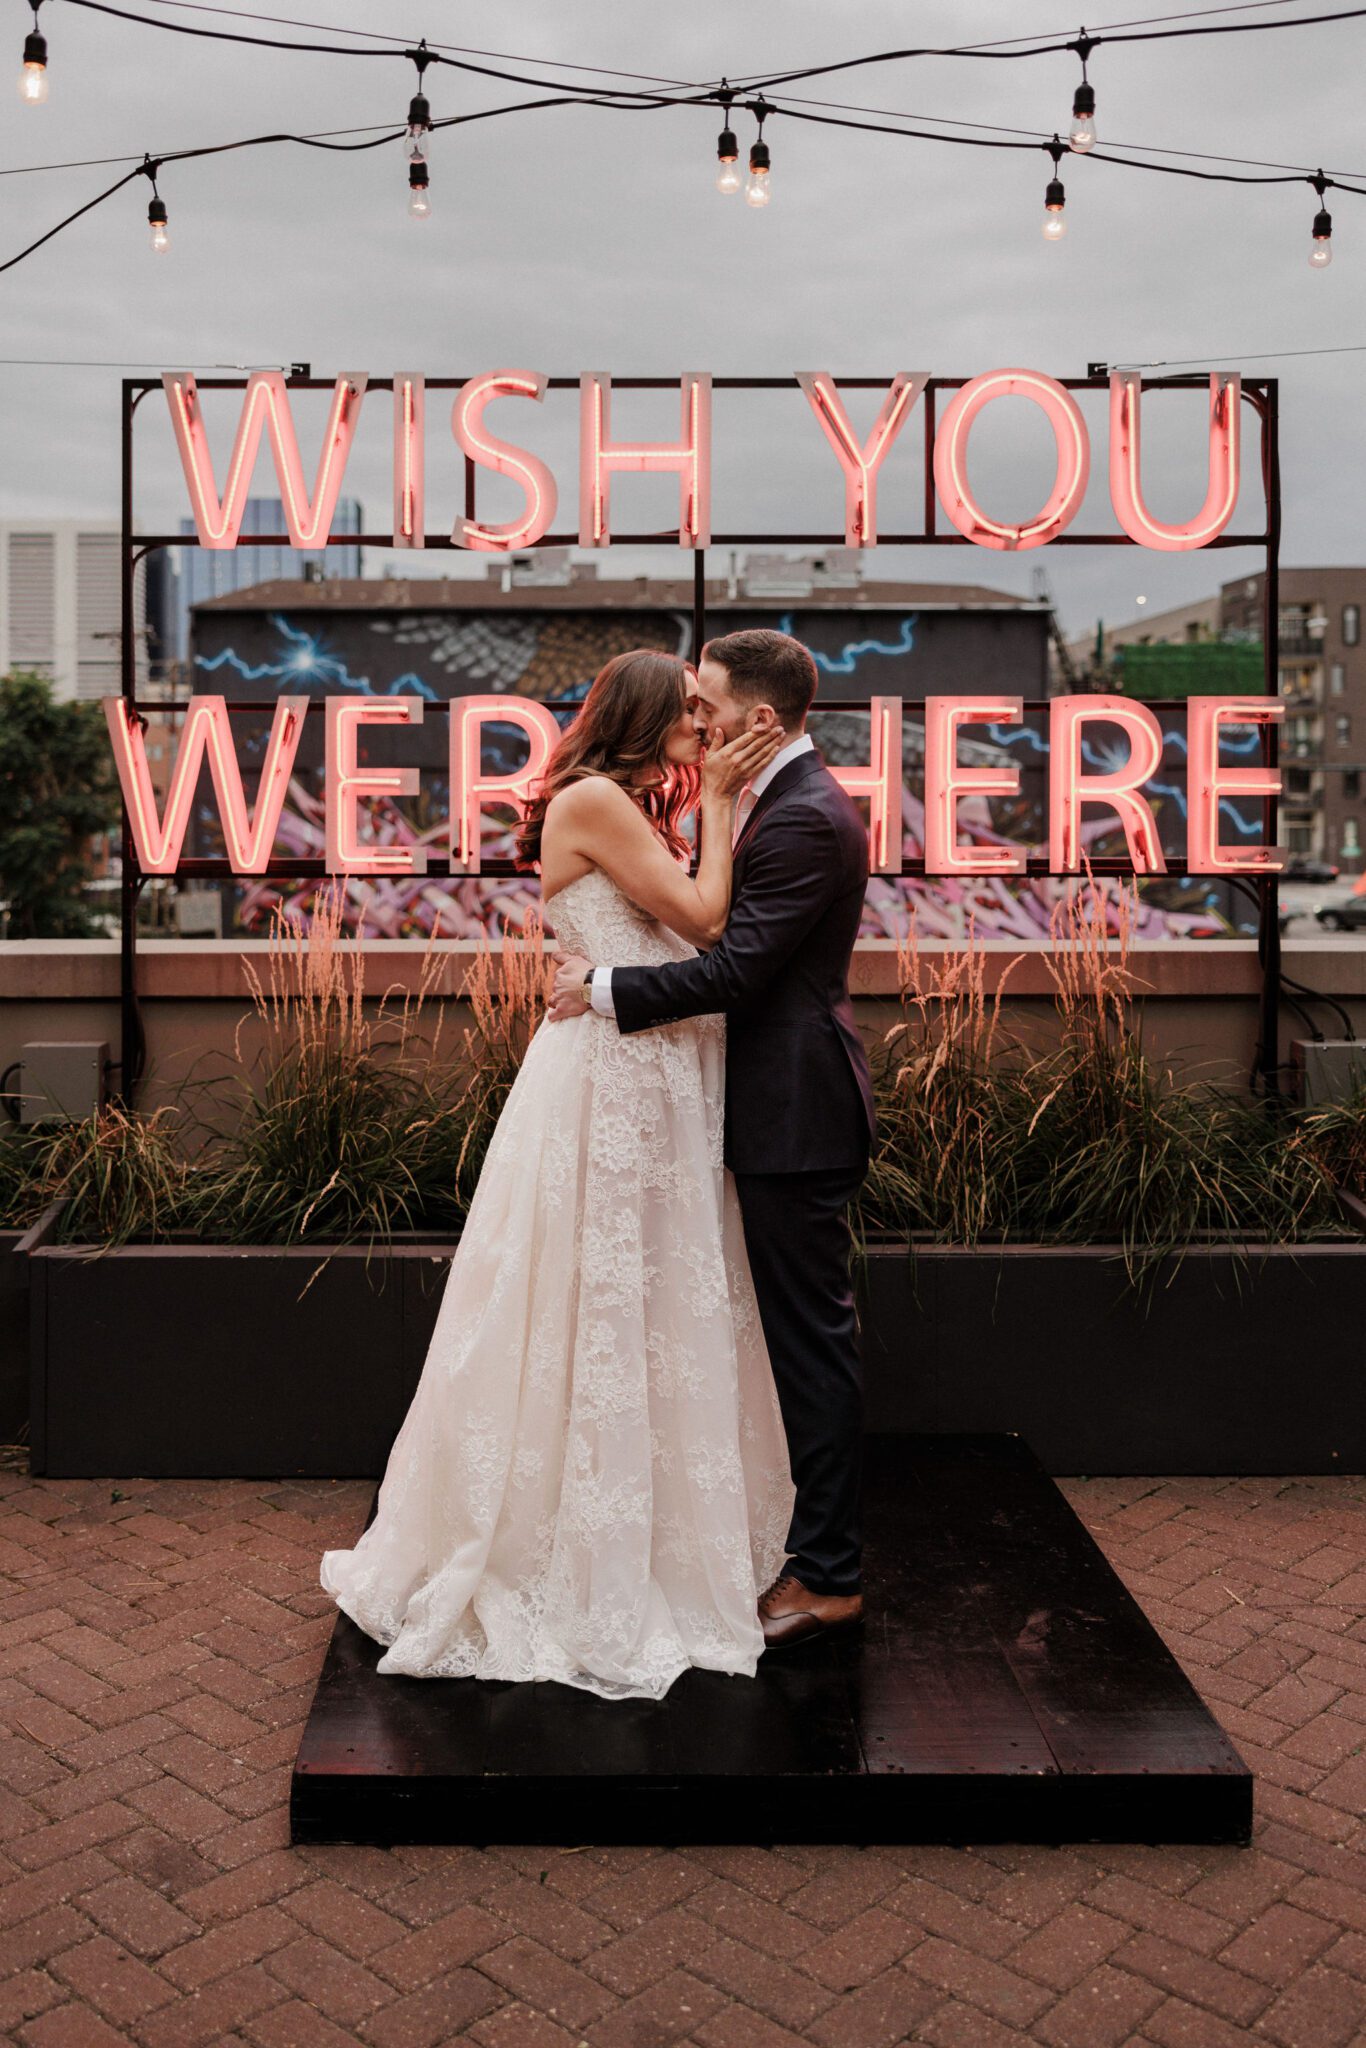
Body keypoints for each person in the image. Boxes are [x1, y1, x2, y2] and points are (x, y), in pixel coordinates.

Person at [320, 648, 797, 1702]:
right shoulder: (594, 799)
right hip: (615, 1086)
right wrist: (717, 802)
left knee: (652, 1300)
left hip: (650, 1070)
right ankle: (569, 1549)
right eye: (684, 711)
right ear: (637, 715)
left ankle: (657, 1529)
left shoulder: (621, 800)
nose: (701, 724)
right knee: (597, 1295)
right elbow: (708, 919)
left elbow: (676, 932)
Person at [549, 628, 876, 1650]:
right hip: (759, 1106)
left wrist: (599, 987)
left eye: (708, 702)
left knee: (809, 1343)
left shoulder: (804, 817)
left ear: (756, 719)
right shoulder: (774, 803)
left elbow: (734, 969)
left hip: (791, 1112)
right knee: (781, 1334)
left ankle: (828, 1572)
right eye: (686, 704)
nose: (698, 717)